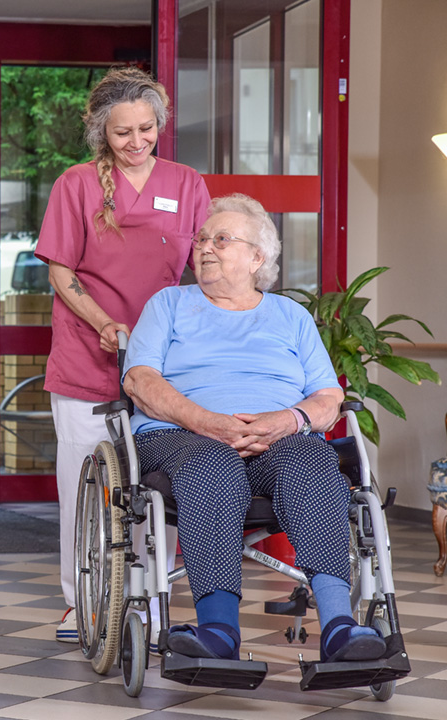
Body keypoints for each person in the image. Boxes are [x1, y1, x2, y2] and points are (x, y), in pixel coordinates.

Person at [122, 193, 386, 663]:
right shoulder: (169, 305)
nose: (205, 246)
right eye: (202, 238)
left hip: (277, 439)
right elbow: (140, 380)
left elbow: (328, 397)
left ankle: (339, 627)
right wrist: (208, 423)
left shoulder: (290, 316)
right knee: (212, 465)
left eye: (221, 238)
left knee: (314, 459)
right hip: (183, 438)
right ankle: (220, 632)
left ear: (256, 256)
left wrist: (288, 420)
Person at [34, 66, 211, 643]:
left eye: (146, 129)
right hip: (90, 354)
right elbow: (62, 272)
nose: (136, 143)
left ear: (159, 124)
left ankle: (148, 598)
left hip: (162, 364)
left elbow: (204, 267)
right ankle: (80, 602)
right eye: (121, 134)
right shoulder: (77, 185)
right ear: (100, 134)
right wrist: (104, 322)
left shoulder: (187, 185)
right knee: (87, 484)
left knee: (156, 486)